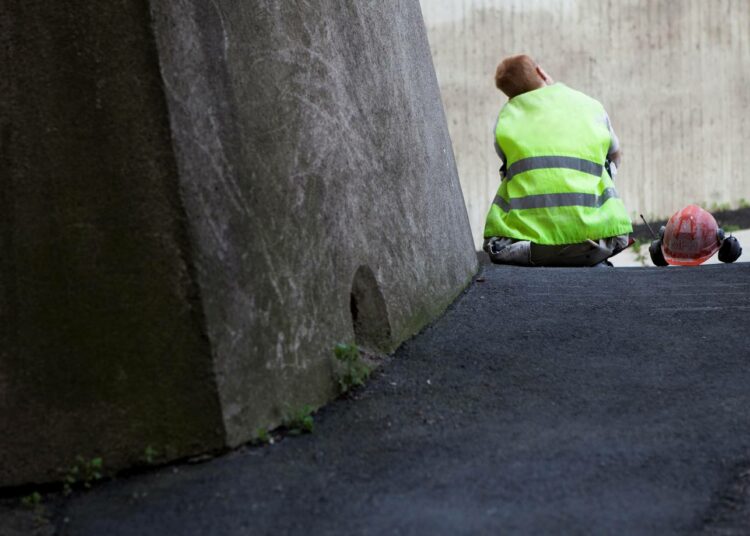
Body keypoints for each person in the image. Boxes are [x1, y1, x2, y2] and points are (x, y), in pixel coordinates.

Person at [483, 54, 632, 267]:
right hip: (598, 239)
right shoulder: (590, 106)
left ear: (509, 96)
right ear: (541, 72)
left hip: (528, 246)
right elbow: (615, 155)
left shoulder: (507, 117)